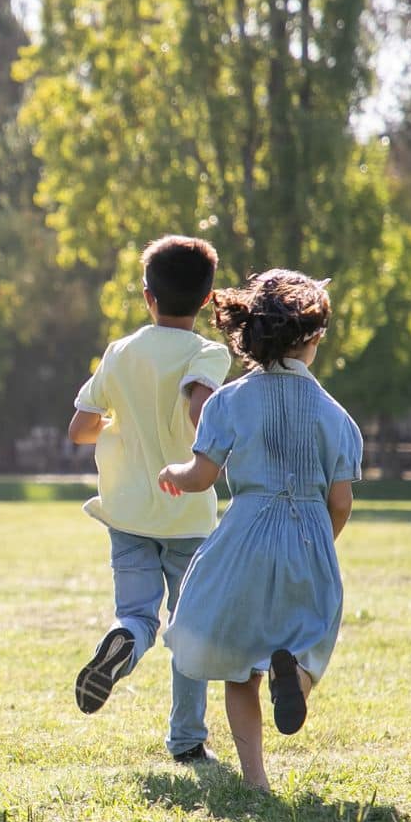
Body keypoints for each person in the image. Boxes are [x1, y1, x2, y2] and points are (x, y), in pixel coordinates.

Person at [158, 270, 362, 792]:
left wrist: (173, 474)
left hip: (245, 535)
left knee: (237, 663)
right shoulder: (337, 417)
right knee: (310, 639)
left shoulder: (227, 401)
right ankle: (295, 678)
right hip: (310, 537)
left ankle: (256, 781)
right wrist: (319, 542)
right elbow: (341, 501)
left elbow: (202, 477)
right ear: (312, 338)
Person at [65, 236, 232, 765]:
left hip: (127, 510)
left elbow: (80, 429)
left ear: (147, 297)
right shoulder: (208, 352)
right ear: (207, 301)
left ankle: (122, 641)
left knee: (136, 614)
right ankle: (187, 740)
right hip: (186, 511)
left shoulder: (120, 351)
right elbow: (199, 406)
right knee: (189, 626)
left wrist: (123, 424)